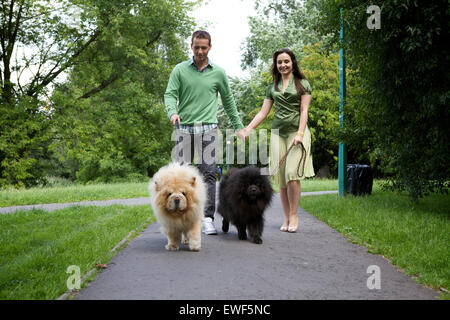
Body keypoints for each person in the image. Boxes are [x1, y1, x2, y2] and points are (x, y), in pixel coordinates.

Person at [164, 30, 244, 235]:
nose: (200, 51)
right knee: (183, 176)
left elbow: (228, 102)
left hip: (208, 129)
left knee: (209, 174)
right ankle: (185, 219)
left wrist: (238, 126)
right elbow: (170, 94)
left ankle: (207, 218)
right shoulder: (180, 70)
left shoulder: (218, 72)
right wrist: (172, 112)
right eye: (196, 47)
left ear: (210, 47)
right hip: (184, 129)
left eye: (204, 47)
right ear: (191, 46)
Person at [240, 48, 315, 233]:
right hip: (277, 134)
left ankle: (295, 215)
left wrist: (299, 133)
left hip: (297, 133)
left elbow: (304, 110)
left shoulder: (303, 84)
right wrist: (248, 128)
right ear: (276, 65)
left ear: (293, 62)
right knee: (281, 177)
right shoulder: (272, 87)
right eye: (279, 62)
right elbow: (263, 113)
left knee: (291, 174)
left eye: (286, 61)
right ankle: (287, 216)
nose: (283, 65)